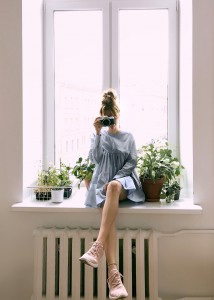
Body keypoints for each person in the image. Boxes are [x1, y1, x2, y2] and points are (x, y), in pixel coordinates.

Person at [79, 89, 145, 300]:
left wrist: (115, 178)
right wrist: (98, 133)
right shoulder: (100, 136)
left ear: (117, 115)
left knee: (113, 188)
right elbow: (96, 159)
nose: (110, 121)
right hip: (102, 185)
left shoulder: (128, 137)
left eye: (112, 117)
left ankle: (96, 248)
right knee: (109, 221)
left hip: (123, 181)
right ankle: (114, 277)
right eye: (106, 118)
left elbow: (132, 162)